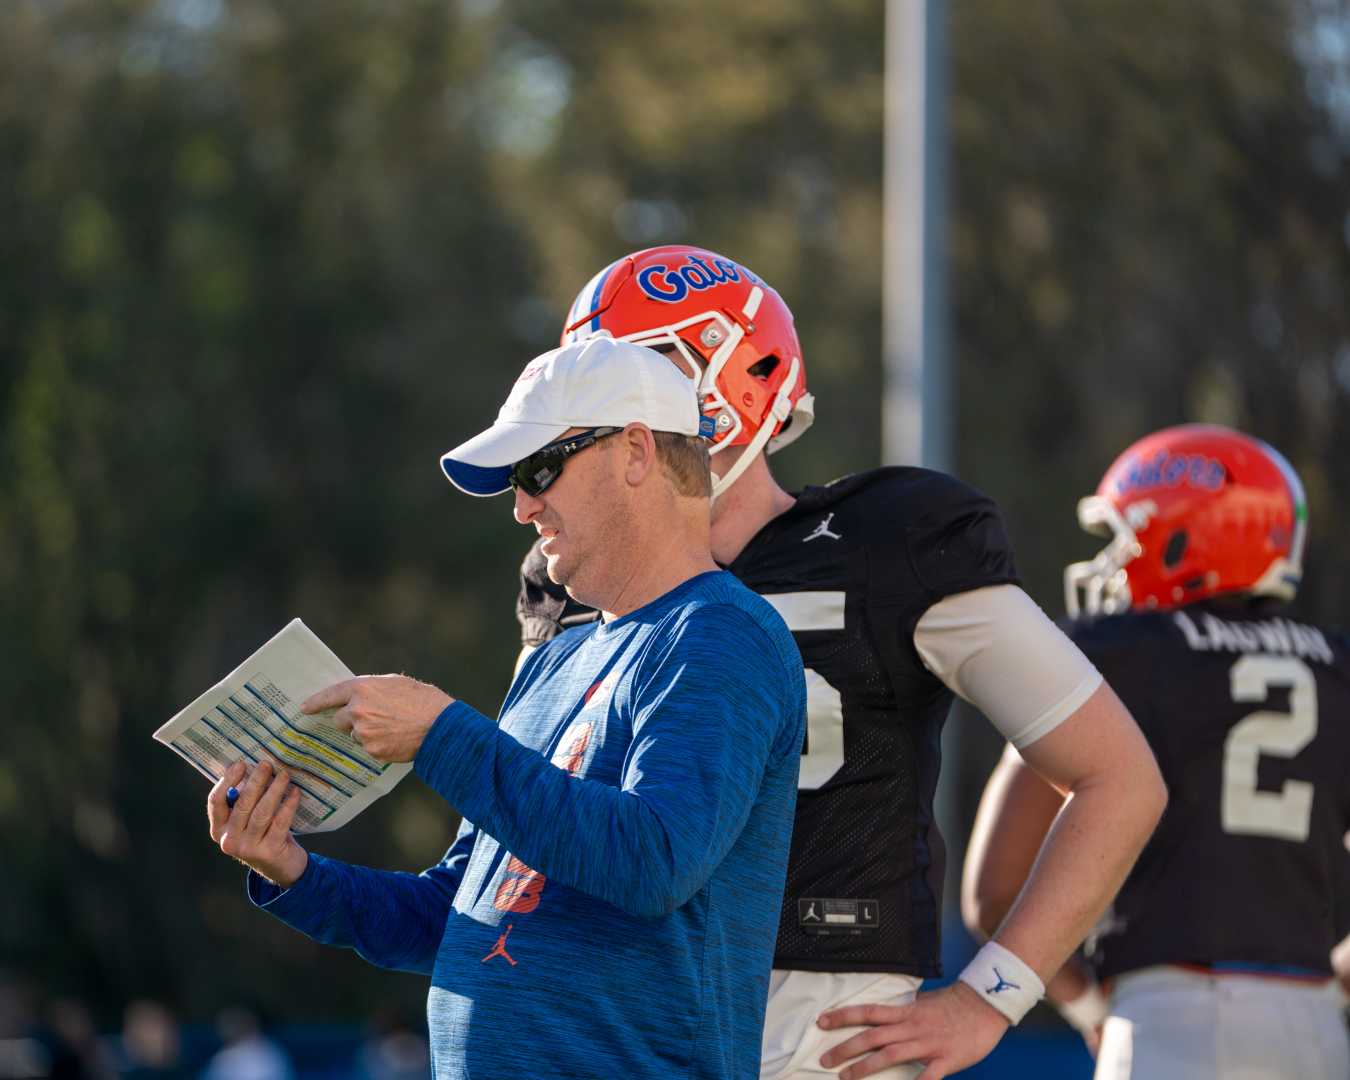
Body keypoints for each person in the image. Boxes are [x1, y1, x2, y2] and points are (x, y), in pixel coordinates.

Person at [515, 245, 1168, 1080]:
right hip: (614, 1016)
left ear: (736, 379)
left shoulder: (890, 542)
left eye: (643, 369)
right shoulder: (570, 578)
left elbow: (1117, 776)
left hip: (823, 1034)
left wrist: (989, 997)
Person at [204, 335, 807, 1080]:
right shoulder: (554, 660)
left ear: (637, 452)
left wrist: (441, 735)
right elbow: (453, 915)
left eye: (539, 469)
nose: (522, 506)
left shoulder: (721, 632)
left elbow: (655, 860)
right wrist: (294, 870)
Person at [961, 423, 1350, 1079]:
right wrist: (1331, 987)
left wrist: (1088, 1008)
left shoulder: (1115, 650)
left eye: (1126, 536)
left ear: (1183, 535)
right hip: (1310, 1023)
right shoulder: (1339, 668)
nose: (1114, 562)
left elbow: (992, 892)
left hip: (1168, 1019)